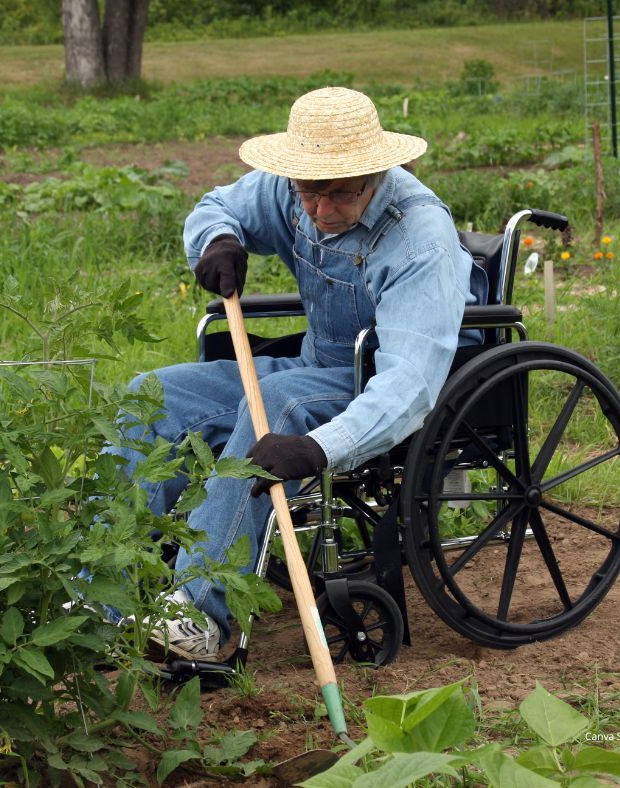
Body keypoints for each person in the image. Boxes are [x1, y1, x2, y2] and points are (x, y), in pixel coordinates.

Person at [112, 86, 488, 661]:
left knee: (277, 404)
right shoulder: (293, 189)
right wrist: (217, 239)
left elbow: (409, 385)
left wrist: (319, 449)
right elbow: (217, 205)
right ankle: (104, 590)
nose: (320, 211)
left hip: (382, 382)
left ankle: (198, 616)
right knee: (152, 395)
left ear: (378, 171)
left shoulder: (419, 239)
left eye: (340, 195)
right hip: (318, 363)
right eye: (309, 193)